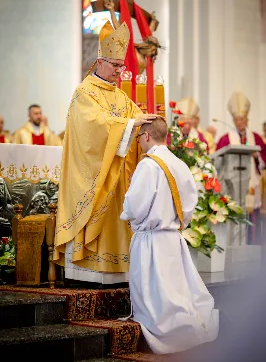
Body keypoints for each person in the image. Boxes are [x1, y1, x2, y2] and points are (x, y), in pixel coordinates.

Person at [53, 20, 158, 285]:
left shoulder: (121, 96)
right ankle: (87, 273)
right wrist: (128, 125)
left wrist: (147, 125)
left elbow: (135, 119)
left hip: (117, 179)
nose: (119, 72)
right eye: (115, 66)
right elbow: (91, 129)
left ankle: (118, 273)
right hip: (92, 176)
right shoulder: (84, 93)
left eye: (122, 67)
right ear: (100, 60)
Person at [120, 117, 219, 354]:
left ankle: (169, 331)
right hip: (174, 238)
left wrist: (128, 213)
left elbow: (134, 205)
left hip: (152, 240)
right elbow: (190, 204)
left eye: (139, 139)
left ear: (145, 136)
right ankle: (187, 325)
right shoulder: (179, 164)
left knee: (156, 294)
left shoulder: (148, 165)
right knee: (175, 290)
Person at [216, 92, 266, 244]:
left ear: (247, 119)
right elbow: (218, 162)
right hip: (231, 186)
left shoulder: (256, 138)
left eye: (242, 119)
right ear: (233, 120)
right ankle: (231, 248)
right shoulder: (225, 139)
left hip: (251, 186)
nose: (239, 122)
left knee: (251, 217)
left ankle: (252, 247)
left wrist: (256, 156)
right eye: (237, 119)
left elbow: (264, 159)